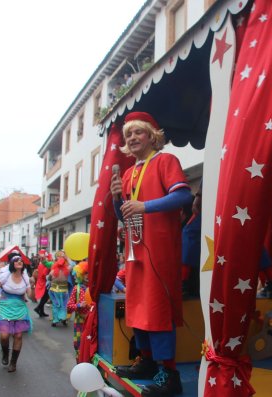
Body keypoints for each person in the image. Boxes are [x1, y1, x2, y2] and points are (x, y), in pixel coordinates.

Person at [110, 111, 191, 397]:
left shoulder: (166, 161)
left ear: (152, 136)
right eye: (128, 134)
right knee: (138, 308)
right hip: (136, 251)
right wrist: (117, 198)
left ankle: (170, 375)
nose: (132, 138)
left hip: (160, 251)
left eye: (138, 133)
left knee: (157, 310)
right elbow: (124, 215)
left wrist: (144, 206)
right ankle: (146, 362)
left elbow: (183, 196)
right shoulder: (130, 172)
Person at [0, 253, 35, 372]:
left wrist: (33, 287)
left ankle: (13, 363)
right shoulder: (5, 276)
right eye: (16, 261)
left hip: (20, 308)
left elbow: (32, 297)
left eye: (21, 261)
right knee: (4, 336)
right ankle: (5, 354)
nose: (20, 262)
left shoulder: (25, 278)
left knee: (18, 336)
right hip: (5, 308)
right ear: (12, 264)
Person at [66, 261, 92, 361]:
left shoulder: (94, 288)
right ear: (80, 274)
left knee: (91, 347)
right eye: (85, 273)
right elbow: (69, 307)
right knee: (79, 346)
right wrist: (79, 305)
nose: (88, 275)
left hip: (91, 323)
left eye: (89, 273)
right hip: (80, 323)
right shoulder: (76, 289)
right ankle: (80, 367)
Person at [48, 251, 71, 327]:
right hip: (64, 290)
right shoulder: (67, 269)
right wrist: (66, 258)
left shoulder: (53, 269)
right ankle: (63, 318)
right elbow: (72, 264)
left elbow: (49, 278)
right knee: (64, 305)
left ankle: (55, 320)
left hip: (55, 290)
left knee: (55, 305)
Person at [32, 250, 52, 318]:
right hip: (43, 282)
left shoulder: (41, 264)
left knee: (44, 297)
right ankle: (38, 308)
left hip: (41, 281)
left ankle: (41, 311)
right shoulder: (43, 264)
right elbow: (44, 274)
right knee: (45, 297)